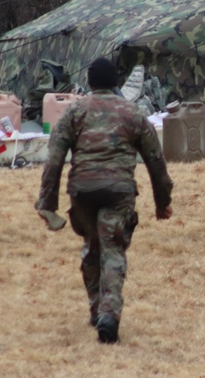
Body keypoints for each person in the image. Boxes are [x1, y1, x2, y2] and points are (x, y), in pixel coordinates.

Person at [35, 57, 174, 344]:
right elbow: (156, 161)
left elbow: (53, 159)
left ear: (90, 82)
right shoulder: (132, 112)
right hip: (118, 189)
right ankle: (108, 314)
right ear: (115, 83)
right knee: (112, 249)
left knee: (91, 247)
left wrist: (47, 203)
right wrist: (163, 203)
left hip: (82, 190)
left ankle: (96, 307)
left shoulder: (74, 111)